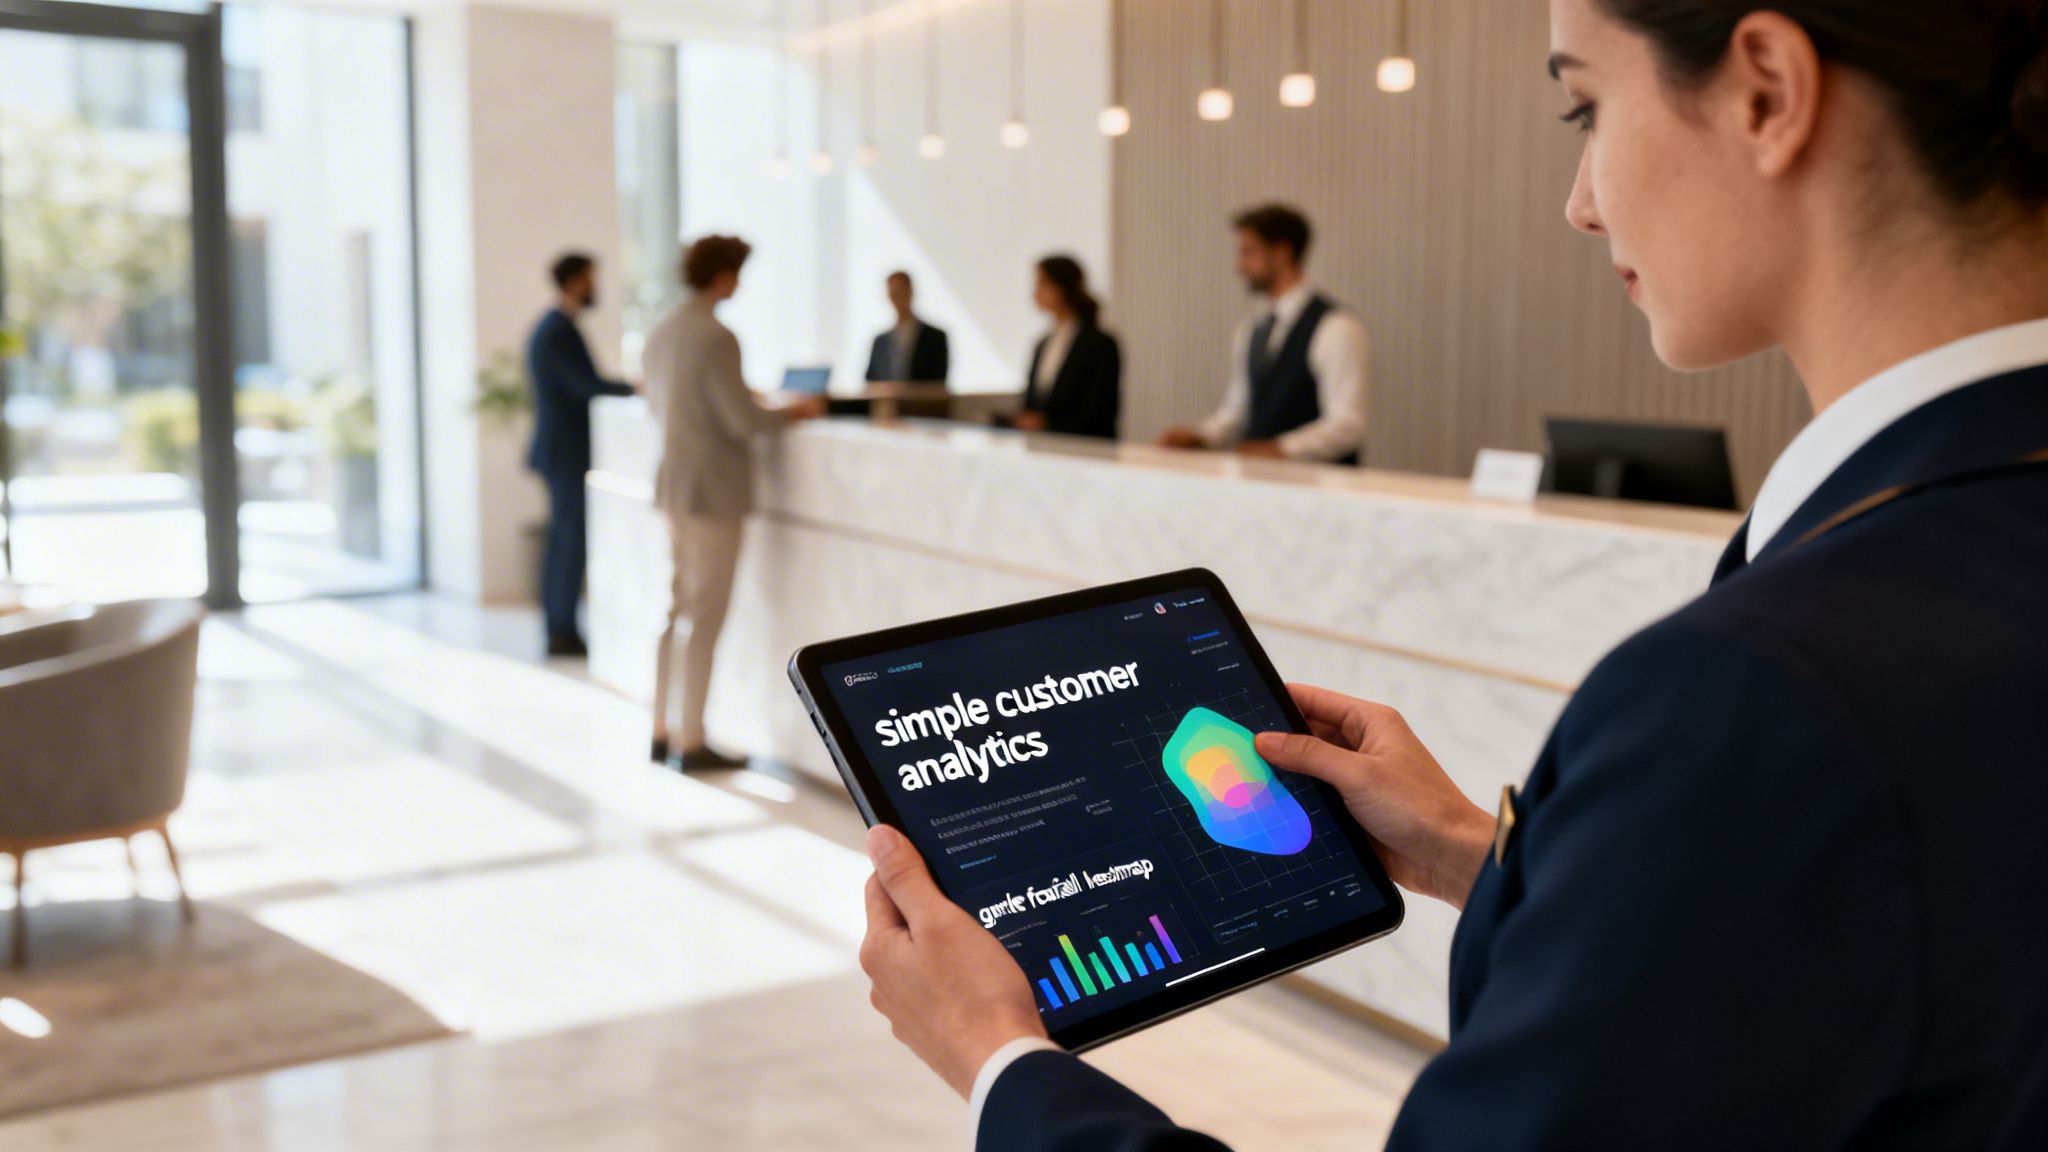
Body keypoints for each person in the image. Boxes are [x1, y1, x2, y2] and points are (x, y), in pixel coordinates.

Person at [858, 0, 2048, 1148]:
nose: (1578, 204)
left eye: (1583, 109)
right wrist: (1472, 853)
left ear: (1766, 93)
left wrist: (1002, 1063)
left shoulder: (1755, 695)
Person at [642, 235, 824, 769]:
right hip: (714, 491)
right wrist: (794, 411)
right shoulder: (717, 336)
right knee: (705, 615)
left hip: (675, 485)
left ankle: (662, 728)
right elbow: (741, 422)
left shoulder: (662, 331)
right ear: (723, 274)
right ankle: (692, 740)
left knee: (677, 607)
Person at [1158, 204, 1370, 464]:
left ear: (1281, 253)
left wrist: (1282, 448)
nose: (1238, 265)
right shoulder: (1251, 329)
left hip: (1320, 486)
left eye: (1248, 252)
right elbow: (1238, 413)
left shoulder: (1336, 327)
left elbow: (1348, 424)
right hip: (1262, 484)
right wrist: (1200, 436)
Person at [526, 252, 634, 657]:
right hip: (565, 453)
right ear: (574, 281)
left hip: (562, 452)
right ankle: (561, 632)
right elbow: (583, 386)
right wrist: (634, 388)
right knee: (568, 543)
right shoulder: (557, 330)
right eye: (590, 279)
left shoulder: (556, 327)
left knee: (565, 542)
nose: (595, 288)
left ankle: (562, 629)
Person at [1014, 255, 1121, 440]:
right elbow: (1033, 403)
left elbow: (1100, 411)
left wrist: (1048, 425)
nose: (1035, 292)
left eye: (1042, 283)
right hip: (1043, 446)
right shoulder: (1043, 343)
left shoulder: (1099, 344)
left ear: (1062, 286)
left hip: (1084, 447)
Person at [865, 270, 951, 384]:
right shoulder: (880, 342)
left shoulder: (935, 338)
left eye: (900, 292)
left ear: (910, 292)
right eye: (893, 294)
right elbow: (871, 380)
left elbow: (937, 381)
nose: (897, 299)